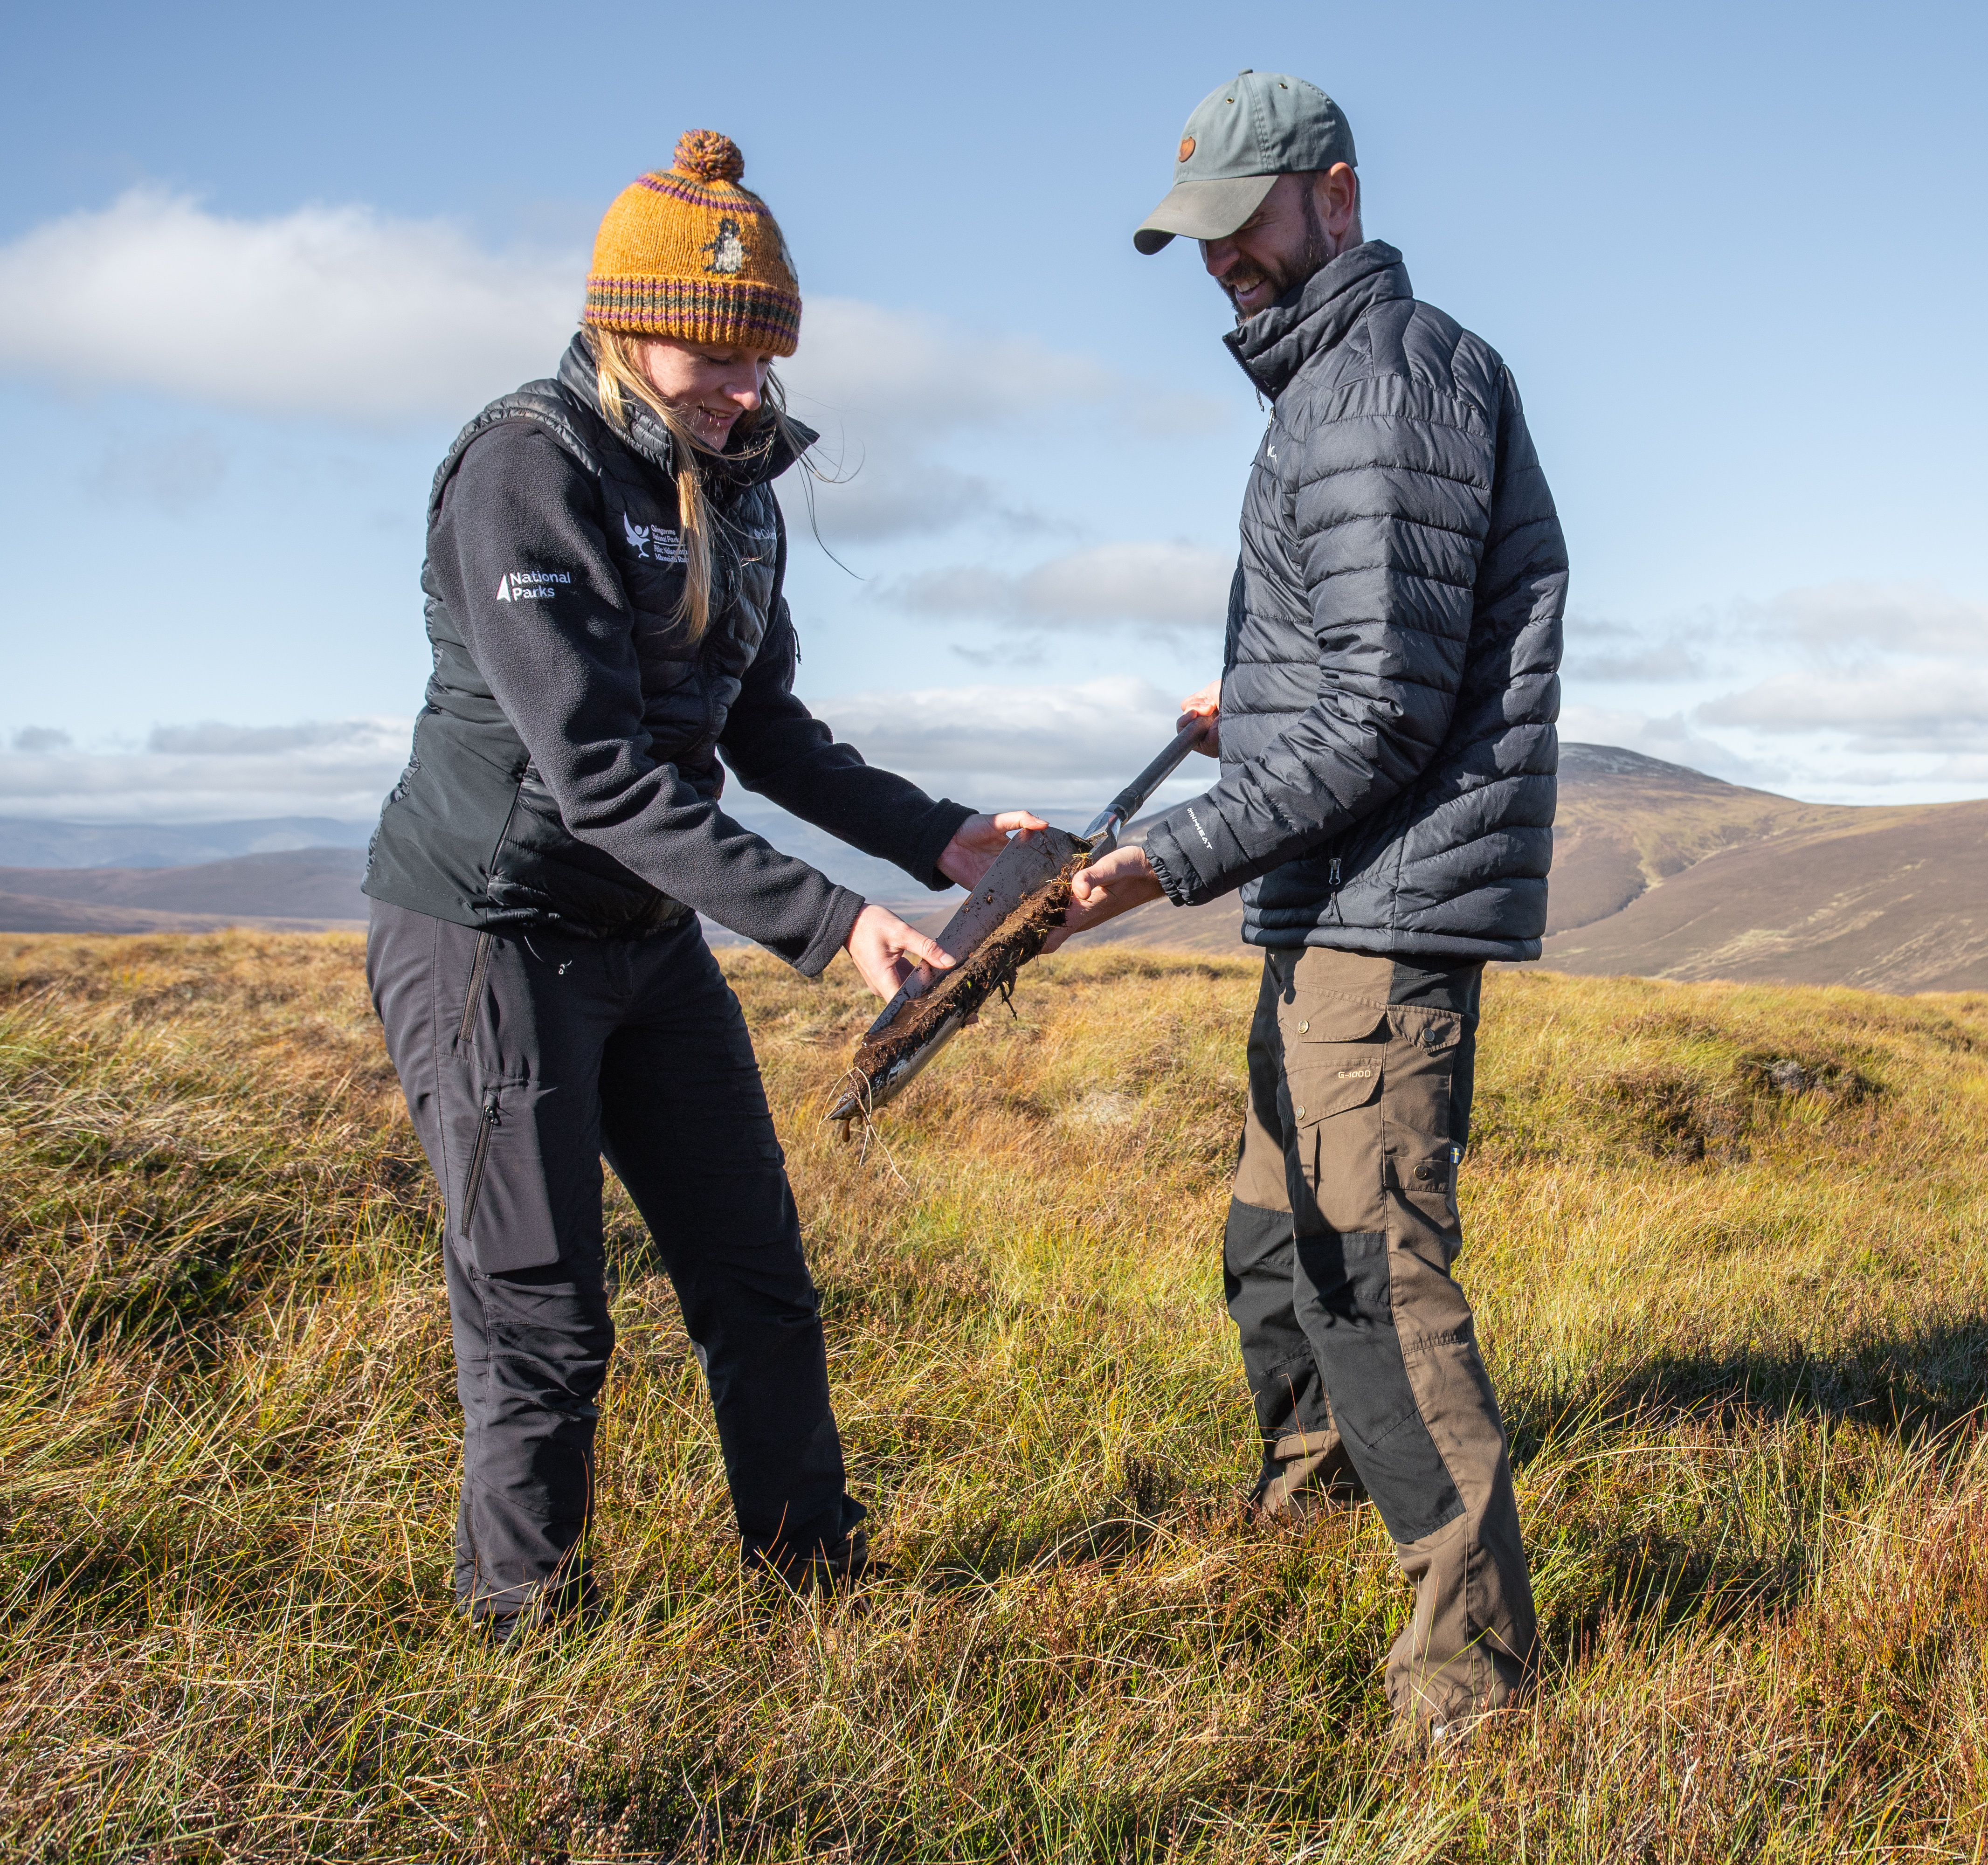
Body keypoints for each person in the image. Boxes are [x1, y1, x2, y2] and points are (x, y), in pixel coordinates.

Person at [363, 130, 1038, 1638]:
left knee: (755, 1271)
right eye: (712, 354)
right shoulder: (525, 470)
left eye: (764, 357)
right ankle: (525, 1636)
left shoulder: (737, 489)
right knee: (543, 1315)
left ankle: (816, 1586)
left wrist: (943, 841)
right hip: (490, 932)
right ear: (621, 319)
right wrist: (828, 921)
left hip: (646, 931)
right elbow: (597, 775)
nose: (744, 389)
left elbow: (763, 725)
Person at [1069, 71, 1567, 1737]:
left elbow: (1383, 715)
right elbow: (1359, 670)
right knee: (1276, 1249)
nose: (1223, 264)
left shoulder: (1380, 388)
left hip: (1379, 908)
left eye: (1245, 226)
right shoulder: (1337, 386)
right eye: (1199, 239)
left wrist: (1173, 854)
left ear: (1334, 201)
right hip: (1330, 898)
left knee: (1373, 1278)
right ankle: (1309, 1518)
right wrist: (1244, 707)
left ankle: (1466, 1679)